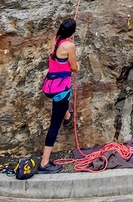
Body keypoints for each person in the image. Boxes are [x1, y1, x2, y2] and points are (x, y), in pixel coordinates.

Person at [39, 18, 79, 174]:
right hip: (60, 88)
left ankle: (68, 115)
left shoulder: (55, 41)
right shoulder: (70, 46)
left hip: (50, 85)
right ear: (72, 33)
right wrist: (77, 66)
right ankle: (44, 163)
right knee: (54, 125)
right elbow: (74, 68)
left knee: (64, 102)